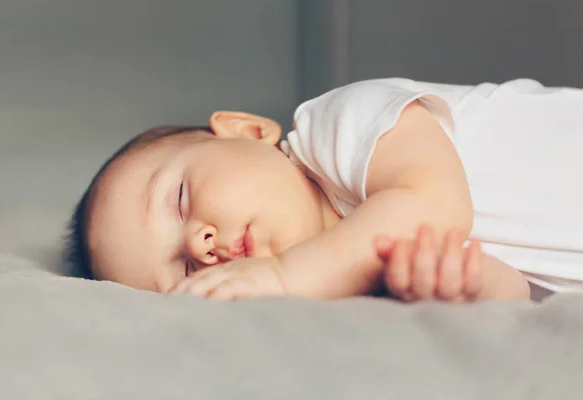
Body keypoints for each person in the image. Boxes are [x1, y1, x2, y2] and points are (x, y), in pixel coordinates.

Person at [67, 78, 583, 302]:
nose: (199, 245)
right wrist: (461, 286)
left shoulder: (337, 124)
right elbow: (515, 288)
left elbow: (437, 205)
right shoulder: (355, 276)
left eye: (180, 200)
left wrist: (283, 275)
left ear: (247, 131)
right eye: (183, 271)